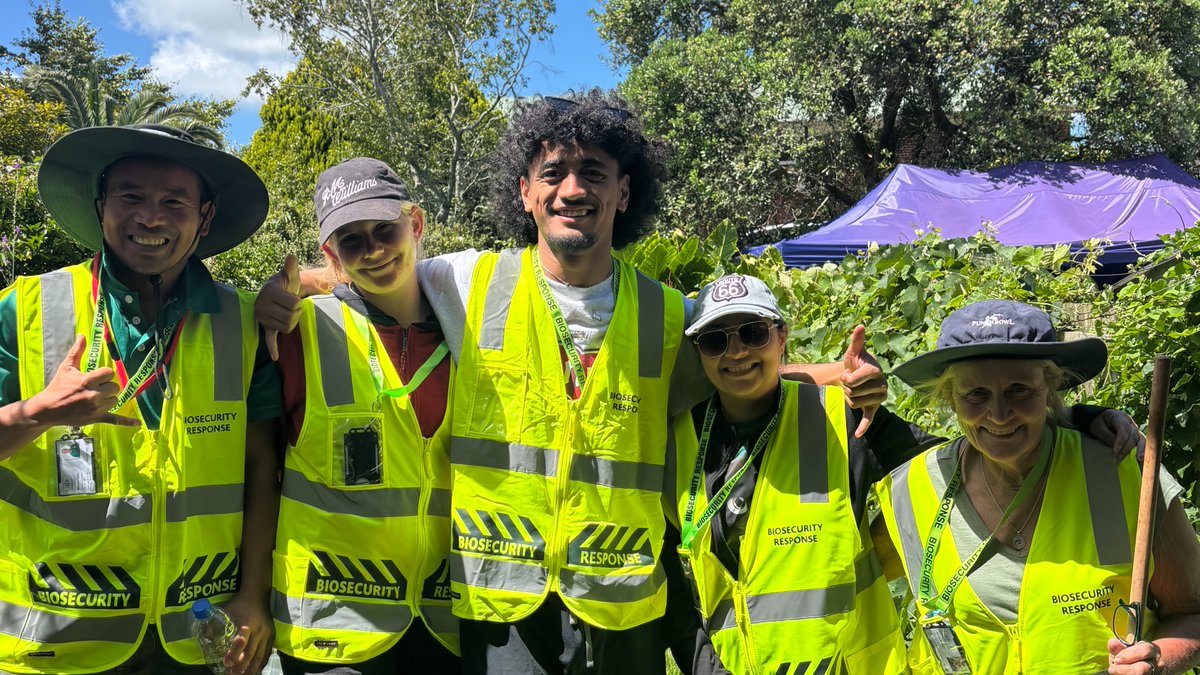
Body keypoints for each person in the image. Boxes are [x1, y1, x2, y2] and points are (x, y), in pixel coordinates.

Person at [255, 91, 889, 674]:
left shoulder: (669, 314)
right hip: (503, 611)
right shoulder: (466, 283)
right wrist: (285, 290)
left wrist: (833, 375)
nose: (571, 189)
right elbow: (372, 271)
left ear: (623, 192)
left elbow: (740, 368)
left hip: (623, 605)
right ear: (526, 193)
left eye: (594, 174)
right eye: (553, 174)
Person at [667, 280, 1146, 675]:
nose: (736, 352)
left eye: (753, 333)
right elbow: (673, 571)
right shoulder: (675, 441)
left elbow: (970, 451)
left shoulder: (844, 420)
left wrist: (1073, 419)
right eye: (715, 340)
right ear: (698, 353)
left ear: (782, 336)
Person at [0, 125, 281, 674]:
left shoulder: (247, 324)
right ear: (102, 206)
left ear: (204, 218)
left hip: (198, 629)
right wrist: (38, 414)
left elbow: (261, 464)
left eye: (174, 202)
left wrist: (253, 594)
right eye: (131, 197)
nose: (150, 218)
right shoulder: (22, 309)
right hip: (56, 635)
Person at [874, 300, 1200, 675]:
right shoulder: (912, 488)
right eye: (975, 395)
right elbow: (843, 586)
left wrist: (1158, 661)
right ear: (949, 397)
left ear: (1051, 386)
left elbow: (1192, 613)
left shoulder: (1126, 475)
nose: (998, 414)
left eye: (1019, 390)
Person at [266, 157, 459, 673]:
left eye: (385, 230)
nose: (373, 250)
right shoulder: (296, 332)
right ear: (331, 252)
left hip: (445, 620)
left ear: (415, 224)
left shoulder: (470, 326)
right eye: (352, 240)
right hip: (332, 623)